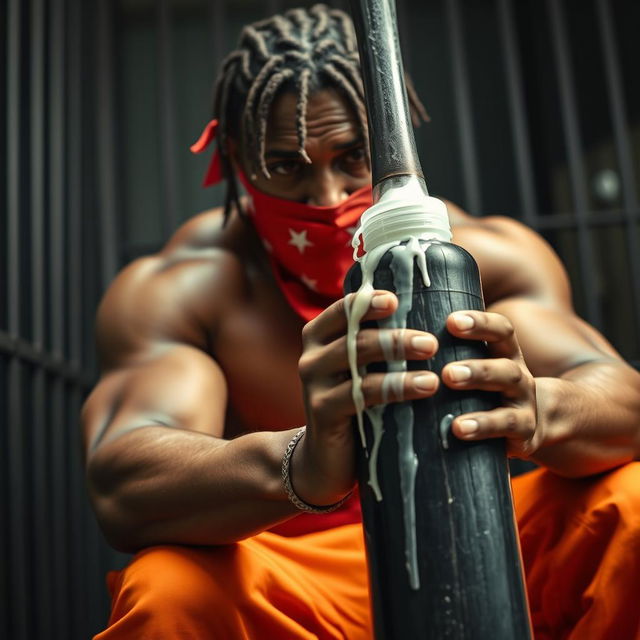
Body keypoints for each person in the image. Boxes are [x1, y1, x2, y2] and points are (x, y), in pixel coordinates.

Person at [84, 5, 640, 639]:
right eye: (288, 166)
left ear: (392, 142)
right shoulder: (188, 287)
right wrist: (300, 463)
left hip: (484, 540)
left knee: (633, 504)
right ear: (237, 160)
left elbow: (622, 396)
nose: (327, 200)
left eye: (354, 157)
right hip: (293, 578)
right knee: (167, 590)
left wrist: (541, 409)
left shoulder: (492, 255)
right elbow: (122, 484)